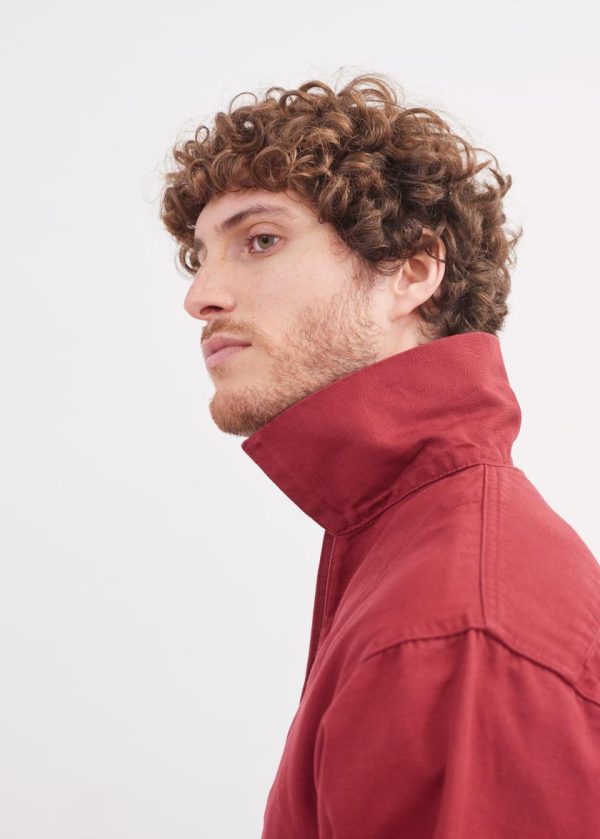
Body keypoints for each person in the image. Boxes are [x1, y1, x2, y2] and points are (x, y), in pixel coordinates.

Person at [160, 74, 600, 838]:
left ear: (412, 271)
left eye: (259, 240)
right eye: (200, 257)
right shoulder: (409, 550)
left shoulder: (456, 627)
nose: (200, 296)